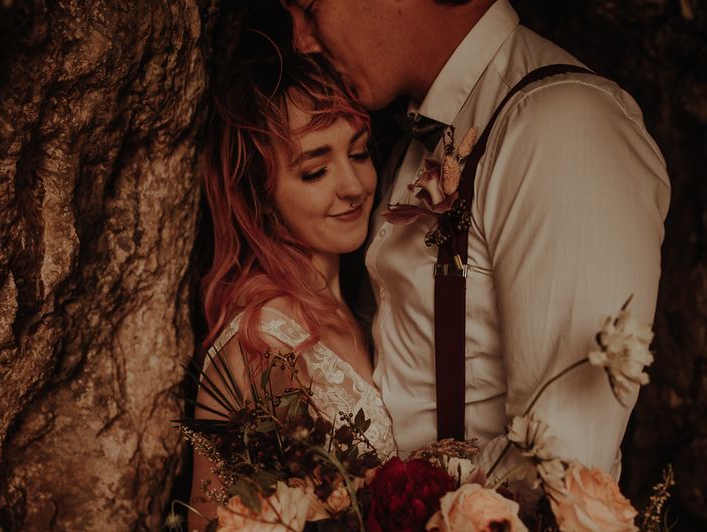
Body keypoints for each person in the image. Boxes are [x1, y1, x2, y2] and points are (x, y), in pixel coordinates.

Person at [281, 0, 670, 480]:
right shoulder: (418, 139)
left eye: (309, 7)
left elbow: (561, 460)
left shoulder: (562, 126)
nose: (301, 41)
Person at [188, 49, 396, 532]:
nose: (353, 185)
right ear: (260, 193)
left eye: (360, 153)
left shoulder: (364, 306)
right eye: (315, 170)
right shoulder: (261, 341)